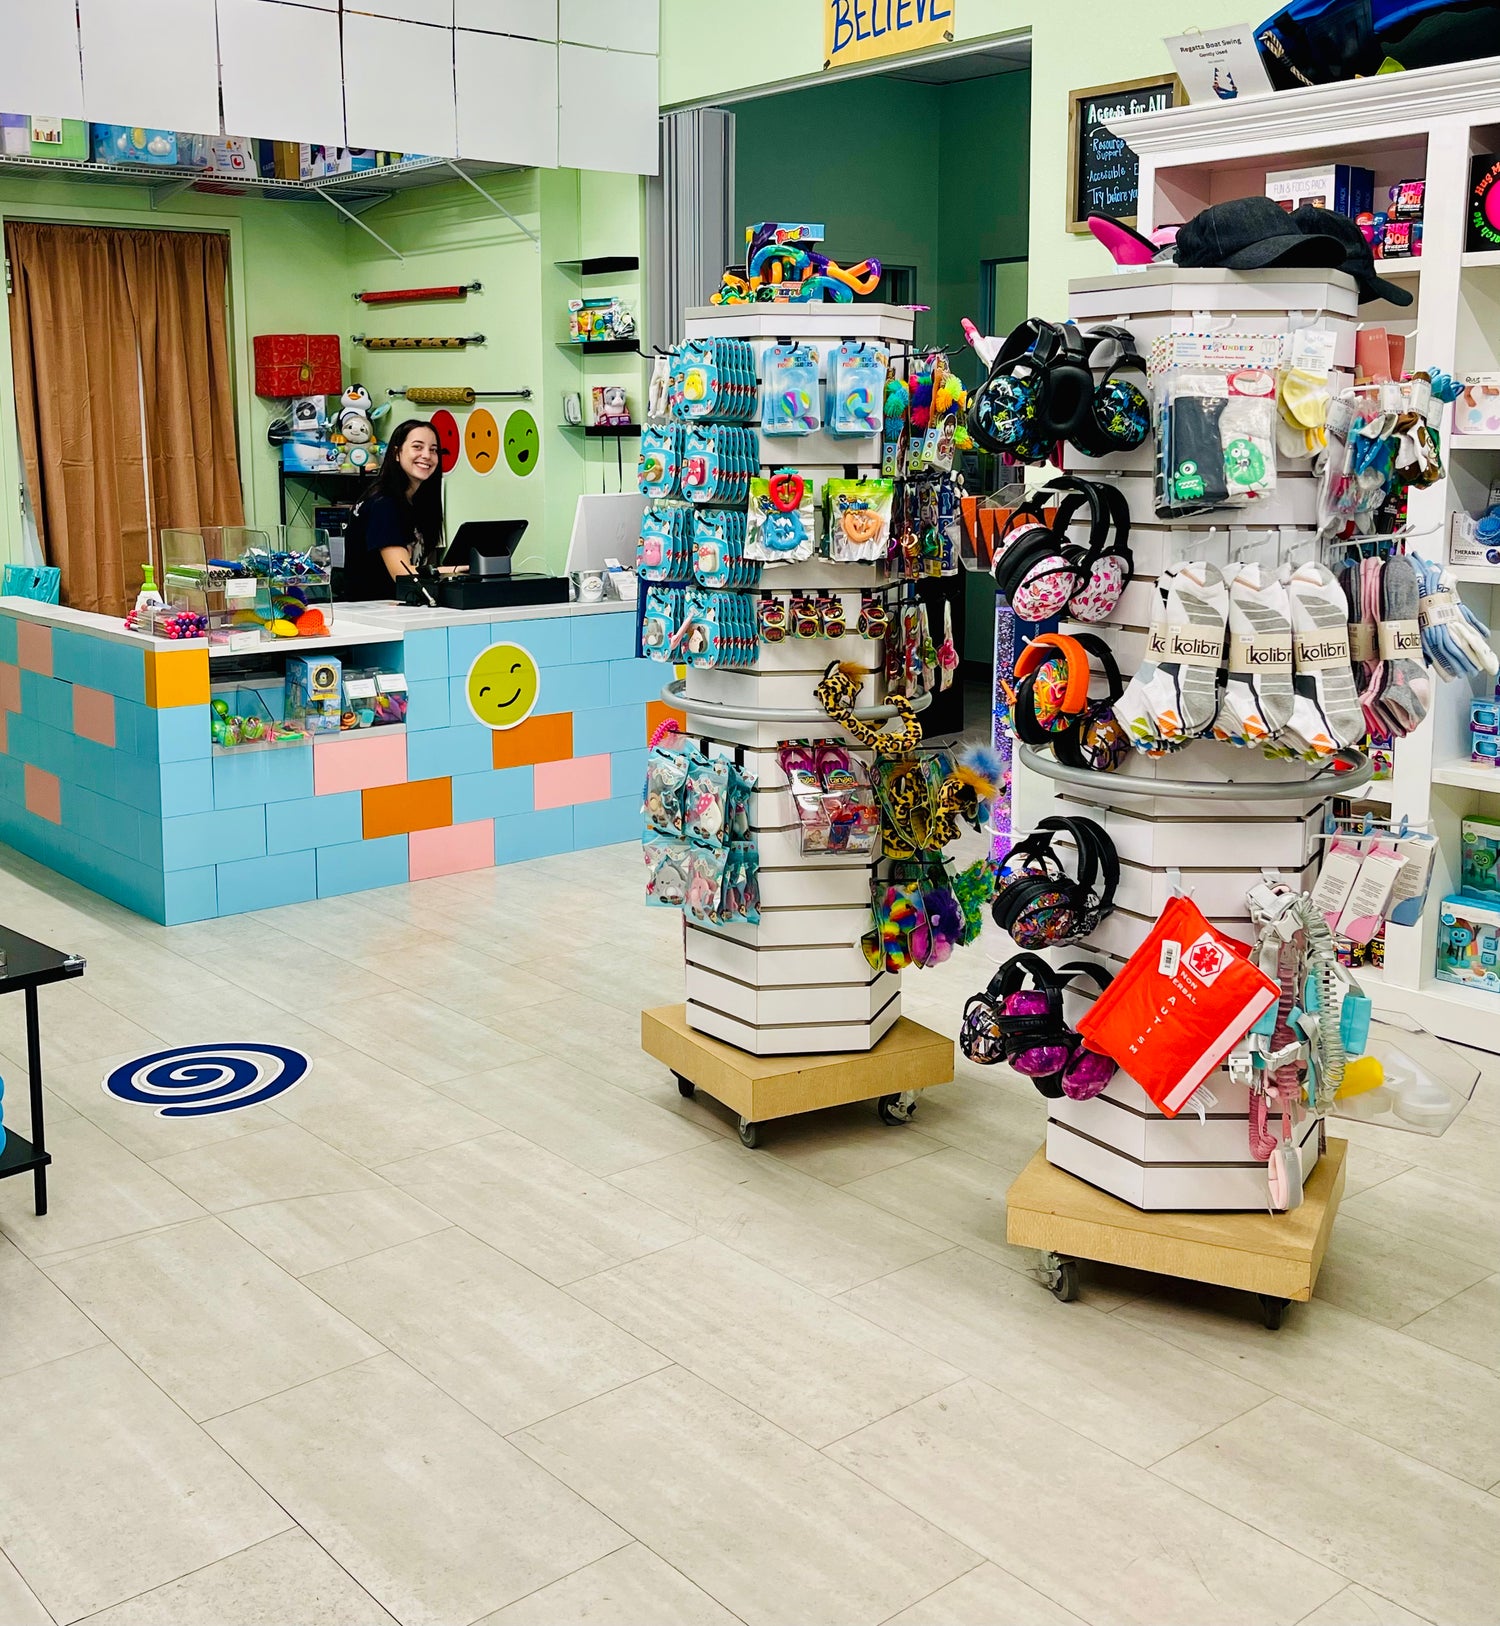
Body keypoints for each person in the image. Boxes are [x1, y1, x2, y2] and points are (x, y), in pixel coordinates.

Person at [340, 418, 444, 601]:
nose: (427, 455)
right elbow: (402, 574)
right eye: (417, 447)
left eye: (433, 450)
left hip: (399, 605)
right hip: (371, 610)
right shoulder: (383, 503)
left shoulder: (419, 500)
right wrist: (455, 571)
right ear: (397, 453)